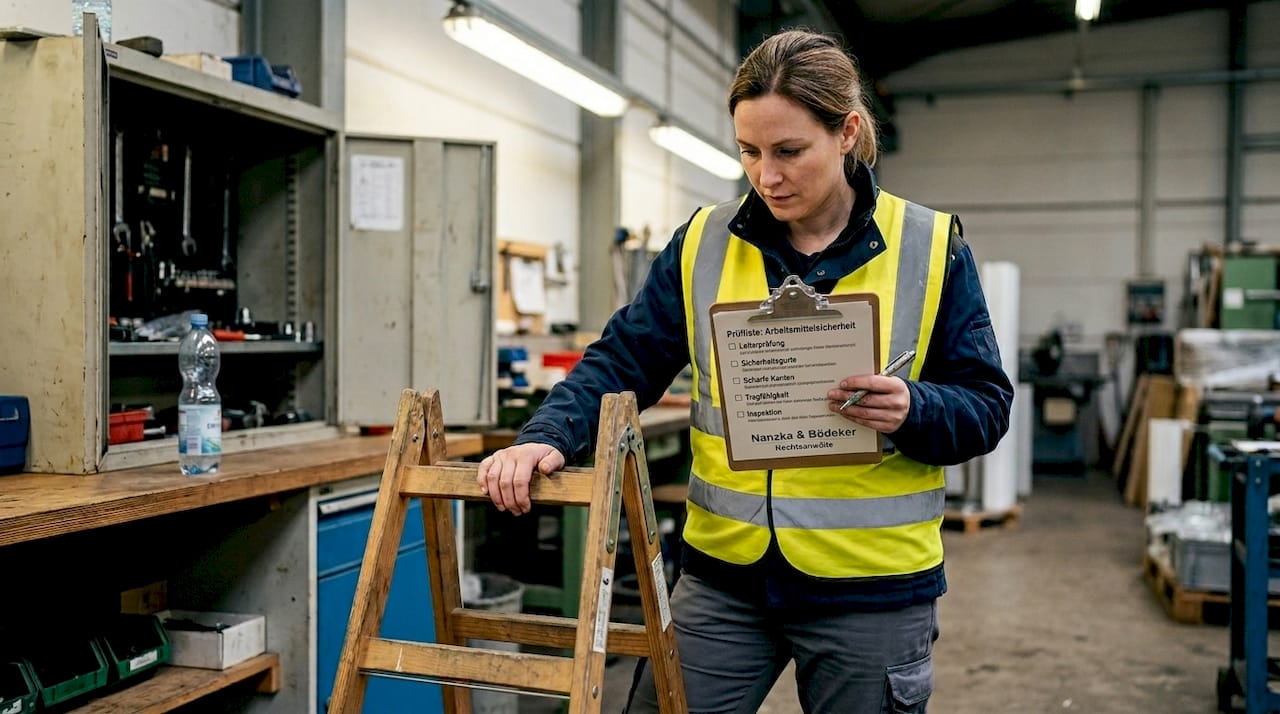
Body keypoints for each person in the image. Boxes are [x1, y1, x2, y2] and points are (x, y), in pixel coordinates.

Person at [476, 28, 1013, 714]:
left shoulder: (932, 249)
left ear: (846, 132)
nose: (767, 176)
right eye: (749, 152)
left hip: (870, 592)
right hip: (724, 582)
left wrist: (915, 408)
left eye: (789, 151)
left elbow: (986, 406)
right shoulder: (704, 241)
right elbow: (624, 358)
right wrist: (548, 433)